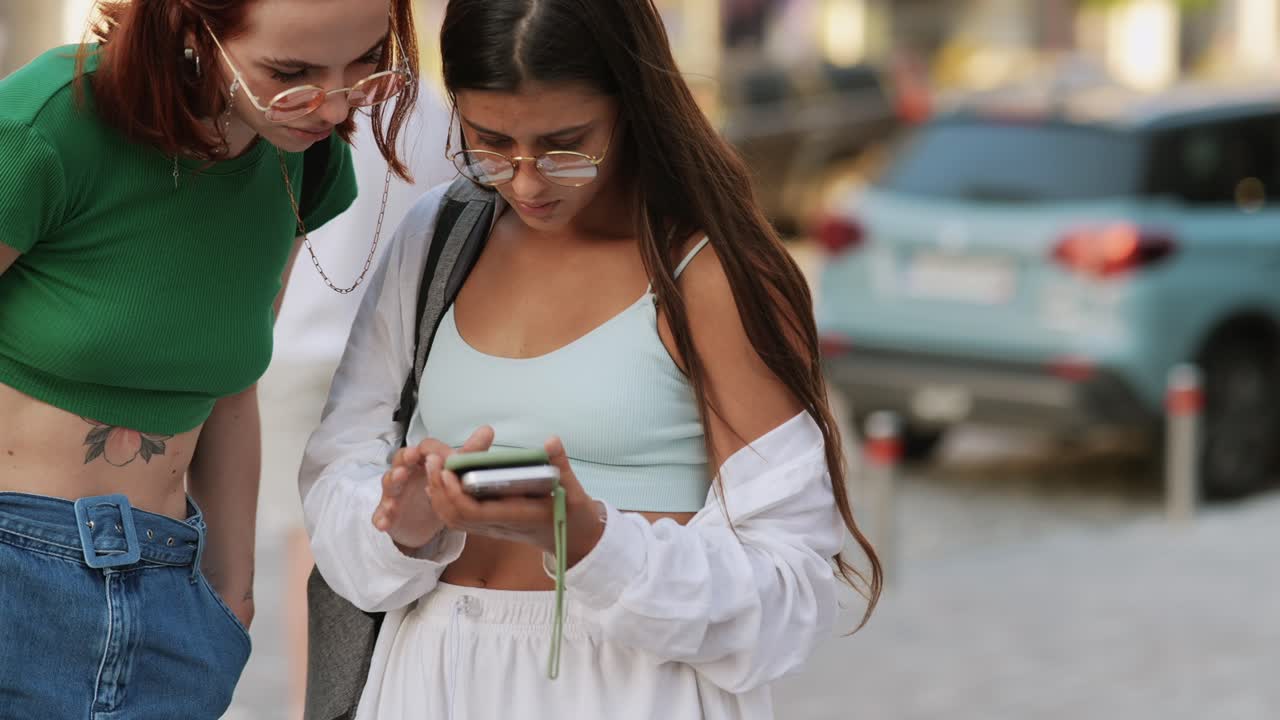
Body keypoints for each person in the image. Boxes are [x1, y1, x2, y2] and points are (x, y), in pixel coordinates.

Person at [300, 1, 882, 718]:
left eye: (566, 144)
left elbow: (789, 597)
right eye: (488, 143)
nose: (527, 181)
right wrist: (404, 524)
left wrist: (591, 539)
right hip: (430, 678)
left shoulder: (709, 274)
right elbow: (333, 482)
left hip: (629, 688)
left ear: (632, 105)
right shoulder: (438, 236)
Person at [0, 0, 421, 716]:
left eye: (367, 63)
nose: (333, 104)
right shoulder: (50, 123)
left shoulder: (303, 160)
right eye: (291, 72)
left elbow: (231, 383)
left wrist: (231, 597)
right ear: (191, 28)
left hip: (171, 591)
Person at [252, 75, 455, 719]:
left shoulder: (296, 91)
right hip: (385, 351)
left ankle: (307, 705)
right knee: (373, 529)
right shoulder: (430, 108)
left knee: (309, 543)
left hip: (294, 338)